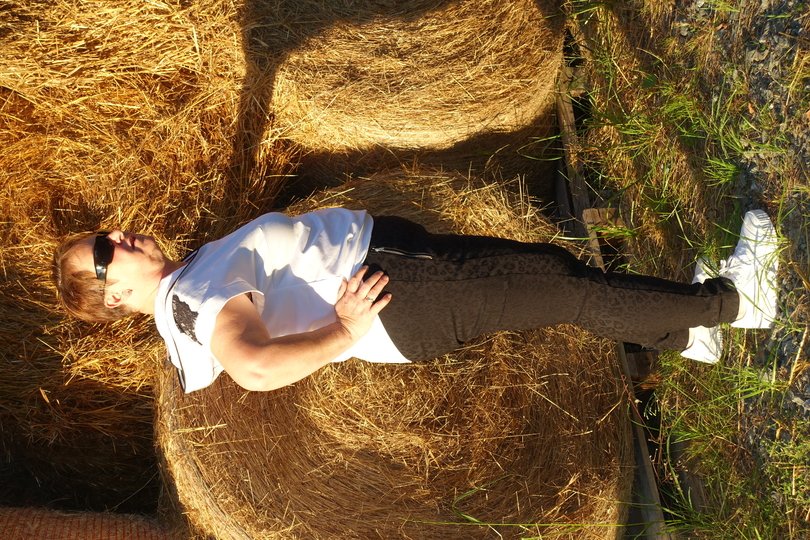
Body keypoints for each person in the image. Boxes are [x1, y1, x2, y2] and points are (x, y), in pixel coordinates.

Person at [53, 208, 780, 393]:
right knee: (569, 291)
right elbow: (254, 367)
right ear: (113, 296)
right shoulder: (190, 295)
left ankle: (686, 335)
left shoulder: (187, 282)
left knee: (554, 274)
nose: (117, 236)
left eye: (103, 233)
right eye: (105, 253)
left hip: (400, 276)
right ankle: (738, 302)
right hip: (403, 297)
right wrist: (343, 332)